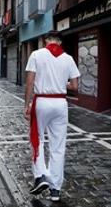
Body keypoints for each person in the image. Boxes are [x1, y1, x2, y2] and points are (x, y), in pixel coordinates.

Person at [24, 31, 79, 201]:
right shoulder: (68, 58)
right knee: (58, 146)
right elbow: (75, 86)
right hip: (60, 103)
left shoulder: (36, 55)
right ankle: (55, 189)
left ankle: (40, 175)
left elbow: (30, 81)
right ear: (60, 42)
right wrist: (60, 82)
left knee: (37, 139)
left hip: (42, 102)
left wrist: (27, 104)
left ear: (46, 40)